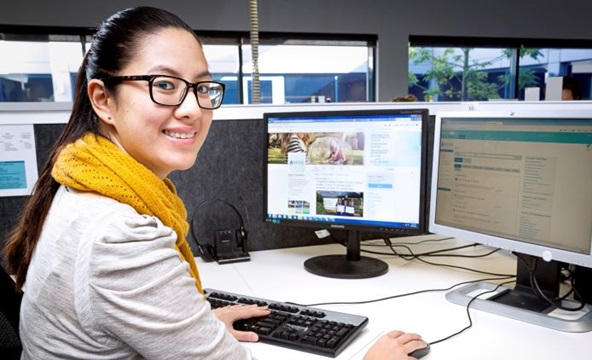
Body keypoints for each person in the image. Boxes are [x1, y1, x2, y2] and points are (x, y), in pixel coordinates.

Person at [1, 6, 427, 360]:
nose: (192, 108)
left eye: (202, 87)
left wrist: (192, 326)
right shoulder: (120, 236)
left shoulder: (77, 184)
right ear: (103, 99)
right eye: (164, 85)